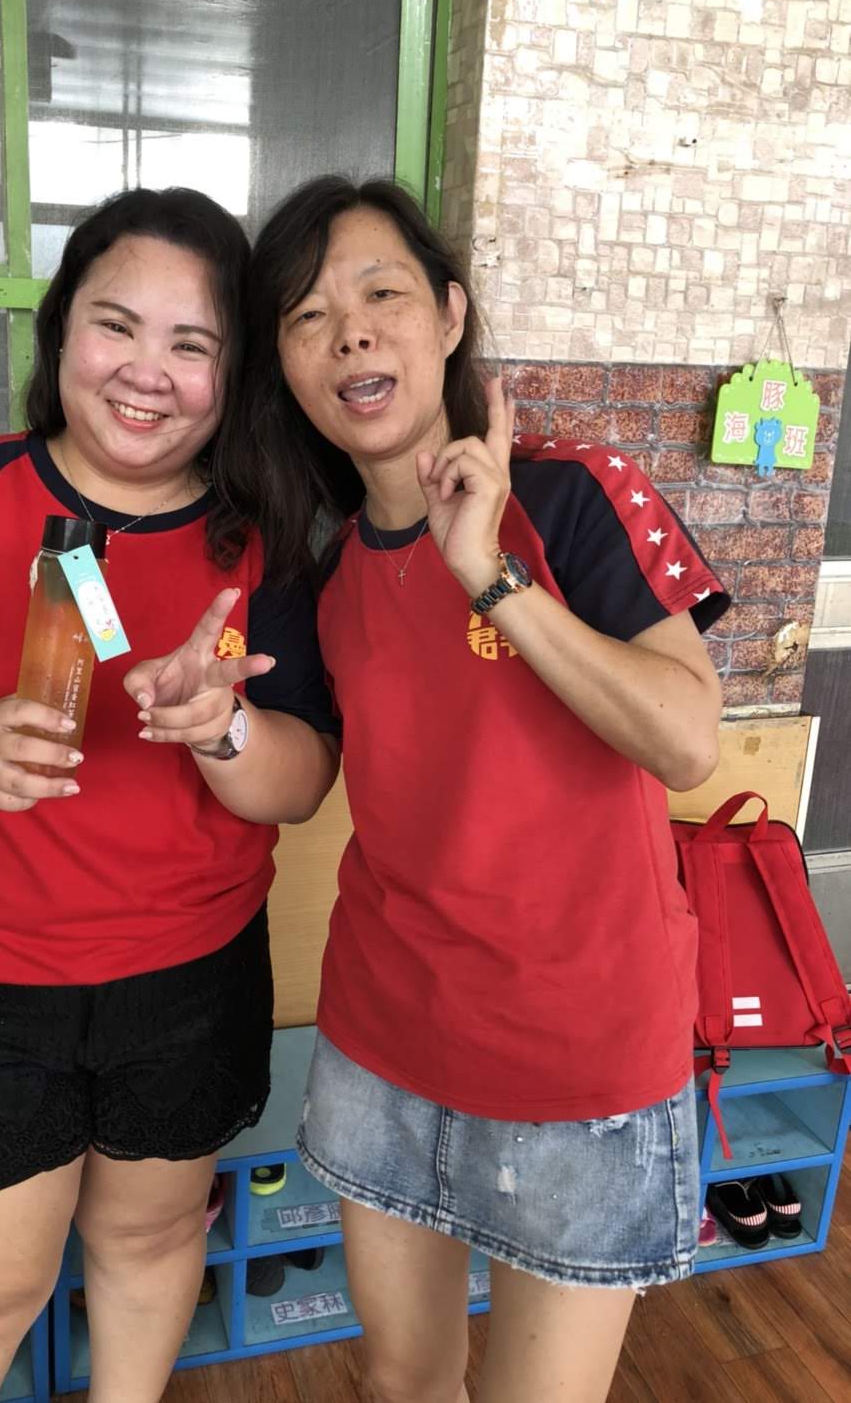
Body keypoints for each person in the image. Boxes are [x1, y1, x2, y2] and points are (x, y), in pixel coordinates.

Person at [0, 187, 340, 1403]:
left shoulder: (266, 535)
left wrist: (223, 726)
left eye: (191, 343)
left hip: (188, 978)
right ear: (60, 332)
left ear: (234, 372)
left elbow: (299, 784)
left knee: (152, 1240)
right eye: (115, 324)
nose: (147, 371)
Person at [224, 175, 729, 1403]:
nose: (349, 333)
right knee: (405, 1380)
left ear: (449, 315)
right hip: (386, 1039)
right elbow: (301, 783)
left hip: (581, 1052)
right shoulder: (321, 565)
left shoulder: (572, 492)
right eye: (306, 316)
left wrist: (491, 575)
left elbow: (685, 740)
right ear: (283, 365)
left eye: (380, 294)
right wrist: (215, 726)